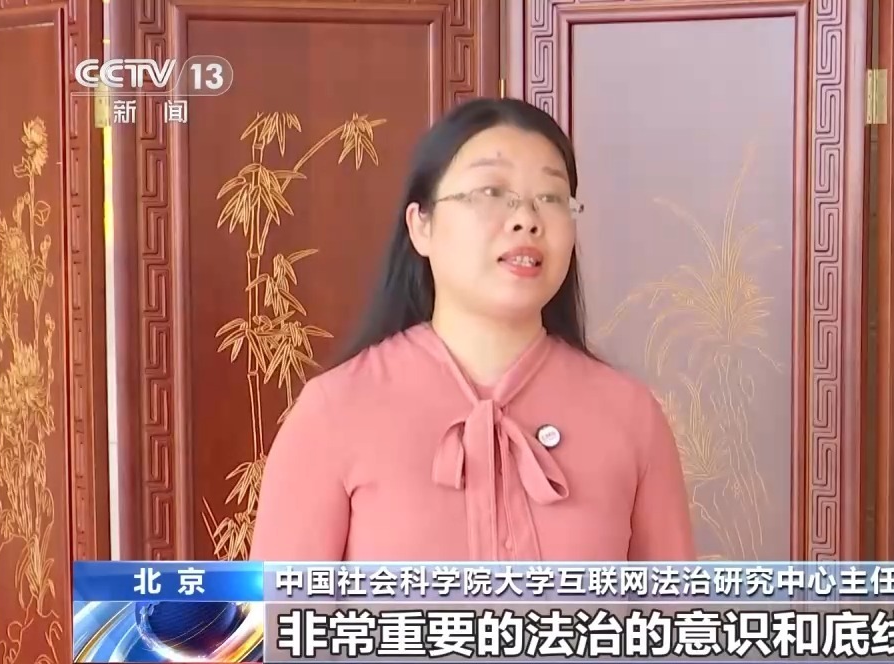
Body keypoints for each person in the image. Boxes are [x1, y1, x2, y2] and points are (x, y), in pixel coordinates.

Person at [249, 98, 696, 562]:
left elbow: (674, 606)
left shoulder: (631, 416)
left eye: (551, 198)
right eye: (490, 192)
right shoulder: (335, 411)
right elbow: (280, 607)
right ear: (421, 226)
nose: (526, 219)